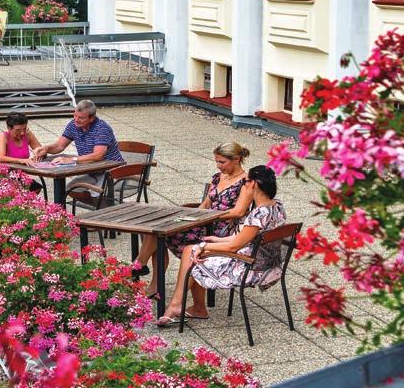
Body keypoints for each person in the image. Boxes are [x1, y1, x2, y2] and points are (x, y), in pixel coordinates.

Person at [156, 165, 287, 327]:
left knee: (191, 252)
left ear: (252, 184)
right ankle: (183, 306)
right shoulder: (277, 207)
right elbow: (241, 239)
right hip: (266, 263)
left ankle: (177, 306)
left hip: (249, 267)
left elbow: (234, 247)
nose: (243, 186)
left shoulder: (259, 214)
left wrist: (203, 247)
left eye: (245, 182)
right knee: (193, 249)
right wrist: (213, 240)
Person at [134, 142, 253, 299]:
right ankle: (144, 271)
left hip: (222, 232)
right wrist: (195, 215)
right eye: (216, 161)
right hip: (204, 223)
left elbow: (238, 212)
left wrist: (208, 216)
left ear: (237, 159)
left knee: (162, 235)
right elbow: (205, 203)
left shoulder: (246, 182)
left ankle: (137, 268)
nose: (218, 166)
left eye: (222, 162)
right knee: (157, 229)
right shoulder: (218, 177)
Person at [34, 100, 124, 191]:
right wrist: (47, 148)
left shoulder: (101, 128)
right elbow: (60, 146)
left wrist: (71, 160)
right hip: (93, 172)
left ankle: (103, 204)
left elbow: (98, 155)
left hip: (112, 172)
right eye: (75, 115)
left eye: (81, 118)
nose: (76, 120)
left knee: (97, 193)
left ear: (92, 118)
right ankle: (95, 203)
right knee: (70, 189)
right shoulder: (73, 125)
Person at [0, 112, 44, 193]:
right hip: (4, 174)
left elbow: (40, 150)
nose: (22, 133)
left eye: (24, 129)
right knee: (27, 189)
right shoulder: (3, 137)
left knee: (36, 188)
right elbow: (0, 157)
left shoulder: (27, 134)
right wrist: (21, 160)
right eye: (18, 130)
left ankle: (28, 204)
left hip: (20, 173)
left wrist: (37, 154)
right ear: (9, 128)